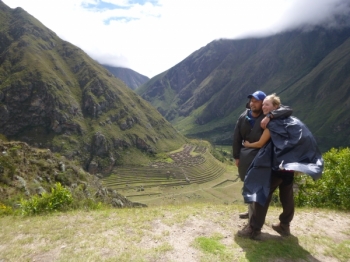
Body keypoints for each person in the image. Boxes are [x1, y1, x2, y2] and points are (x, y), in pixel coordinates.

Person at [237, 94, 323, 239]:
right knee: (287, 196)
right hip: (289, 166)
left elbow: (260, 143)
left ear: (276, 107)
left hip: (277, 166)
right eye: (263, 104)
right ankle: (284, 225)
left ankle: (253, 229)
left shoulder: (273, 123)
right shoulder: (289, 120)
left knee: (262, 195)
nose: (264, 107)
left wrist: (247, 145)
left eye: (267, 105)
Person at [232, 91, 293, 219]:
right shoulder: (243, 116)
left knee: (260, 187)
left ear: (262, 103)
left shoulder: (269, 115)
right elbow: (237, 137)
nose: (252, 103)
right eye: (251, 101)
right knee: (249, 183)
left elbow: (287, 109)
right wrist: (236, 156)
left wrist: (270, 115)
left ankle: (256, 220)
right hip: (247, 157)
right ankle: (251, 212)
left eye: (256, 101)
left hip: (264, 158)